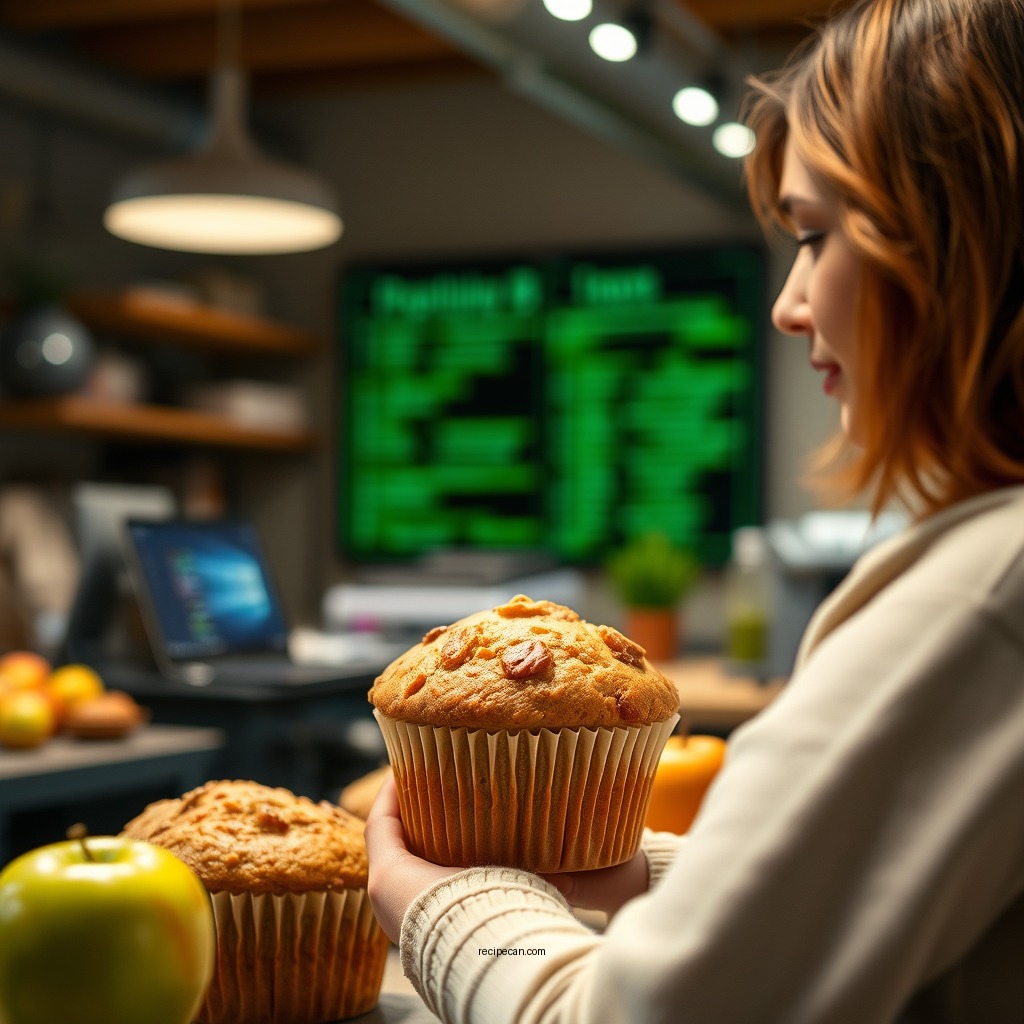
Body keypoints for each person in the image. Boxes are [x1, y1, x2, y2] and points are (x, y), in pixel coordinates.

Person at [365, 0, 1024, 1020]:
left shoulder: (984, 596)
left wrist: (437, 903)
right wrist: (651, 880)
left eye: (814, 235)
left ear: (955, 235)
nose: (787, 304)